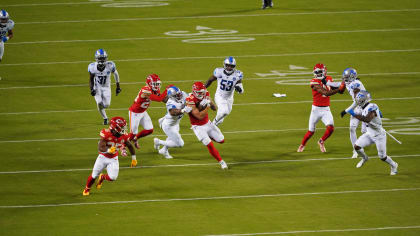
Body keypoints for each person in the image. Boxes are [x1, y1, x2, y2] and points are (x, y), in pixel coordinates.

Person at [347, 90, 398, 175]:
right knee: (356, 146)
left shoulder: (372, 107)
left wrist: (353, 114)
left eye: (360, 100)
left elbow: (367, 119)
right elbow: (380, 115)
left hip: (379, 135)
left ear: (365, 100)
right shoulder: (366, 107)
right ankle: (365, 158)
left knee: (382, 157)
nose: (358, 102)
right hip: (370, 133)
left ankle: (394, 165)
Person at [297, 63, 346, 153]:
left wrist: (343, 87)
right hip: (315, 110)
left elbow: (338, 90)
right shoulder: (313, 82)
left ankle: (321, 141)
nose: (319, 74)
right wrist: (339, 89)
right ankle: (302, 144)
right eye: (317, 72)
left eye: (320, 72)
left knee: (331, 128)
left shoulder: (329, 79)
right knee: (311, 132)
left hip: (326, 109)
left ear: (324, 71)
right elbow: (325, 93)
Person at [82, 117, 137, 196]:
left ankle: (102, 177)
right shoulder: (106, 134)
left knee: (113, 177)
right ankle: (87, 188)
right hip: (103, 157)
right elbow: (100, 147)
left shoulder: (124, 136)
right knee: (94, 175)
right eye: (122, 127)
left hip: (113, 158)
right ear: (115, 128)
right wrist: (108, 150)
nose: (124, 129)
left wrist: (134, 158)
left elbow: (130, 146)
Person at [184, 82, 228, 169]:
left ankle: (208, 136)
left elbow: (215, 109)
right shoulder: (190, 100)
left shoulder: (205, 94)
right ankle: (221, 162)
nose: (202, 94)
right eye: (199, 92)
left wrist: (210, 102)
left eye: (202, 92)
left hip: (207, 123)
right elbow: (199, 116)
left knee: (221, 140)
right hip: (197, 126)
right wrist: (207, 106)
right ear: (194, 91)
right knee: (209, 144)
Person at [129, 74, 171, 149]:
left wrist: (171, 96)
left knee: (149, 130)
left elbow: (163, 100)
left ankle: (136, 139)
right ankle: (122, 146)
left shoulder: (155, 90)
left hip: (143, 112)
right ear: (149, 83)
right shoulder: (146, 90)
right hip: (135, 112)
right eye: (155, 84)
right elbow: (158, 99)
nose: (157, 86)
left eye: (157, 84)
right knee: (133, 133)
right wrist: (167, 89)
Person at [205, 56, 244, 126]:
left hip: (229, 98)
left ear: (234, 66)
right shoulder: (219, 72)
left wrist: (240, 89)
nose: (229, 67)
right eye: (227, 65)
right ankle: (211, 125)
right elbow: (210, 80)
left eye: (231, 66)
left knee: (223, 117)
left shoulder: (238, 74)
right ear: (224, 65)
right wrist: (203, 88)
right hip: (220, 95)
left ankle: (213, 130)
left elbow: (241, 89)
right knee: (224, 112)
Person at [153, 86, 189, 159]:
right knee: (180, 144)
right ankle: (158, 141)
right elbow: (173, 112)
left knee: (172, 138)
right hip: (168, 126)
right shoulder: (170, 102)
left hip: (175, 123)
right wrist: (184, 110)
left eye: (179, 94)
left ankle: (164, 150)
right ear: (172, 97)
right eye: (177, 95)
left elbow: (190, 98)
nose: (179, 96)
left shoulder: (183, 94)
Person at [340, 68, 367, 158]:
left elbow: (356, 101)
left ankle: (360, 147)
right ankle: (355, 150)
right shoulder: (351, 83)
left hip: (364, 108)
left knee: (364, 131)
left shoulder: (356, 85)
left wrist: (346, 111)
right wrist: (326, 82)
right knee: (352, 128)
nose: (345, 79)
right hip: (357, 108)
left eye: (347, 77)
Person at [89, 49, 121, 125]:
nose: (102, 60)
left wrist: (118, 86)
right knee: (99, 102)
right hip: (97, 86)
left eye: (103, 58)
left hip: (107, 87)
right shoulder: (92, 67)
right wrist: (92, 89)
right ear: (96, 58)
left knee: (106, 105)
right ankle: (105, 118)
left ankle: (103, 113)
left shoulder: (110, 65)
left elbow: (116, 74)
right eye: (100, 58)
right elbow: (91, 79)